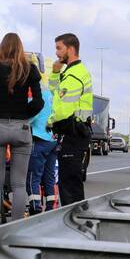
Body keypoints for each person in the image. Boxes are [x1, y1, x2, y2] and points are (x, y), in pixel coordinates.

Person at [0, 33, 43, 224]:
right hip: (21, 128)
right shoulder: (29, 69)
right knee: (19, 184)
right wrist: (23, 113)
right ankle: (16, 226)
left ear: (2, 47)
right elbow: (39, 102)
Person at [49, 32, 93, 207]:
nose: (57, 53)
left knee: (69, 182)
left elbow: (62, 109)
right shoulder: (71, 72)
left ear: (71, 49)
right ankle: (77, 217)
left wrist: (49, 121)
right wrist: (54, 73)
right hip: (76, 131)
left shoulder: (74, 76)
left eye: (59, 48)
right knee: (70, 180)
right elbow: (55, 95)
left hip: (73, 131)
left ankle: (74, 220)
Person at [27, 74, 58, 215]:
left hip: (39, 137)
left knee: (34, 175)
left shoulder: (37, 94)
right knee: (49, 175)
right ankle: (51, 206)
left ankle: (35, 207)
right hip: (52, 138)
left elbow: (32, 115)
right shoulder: (51, 92)